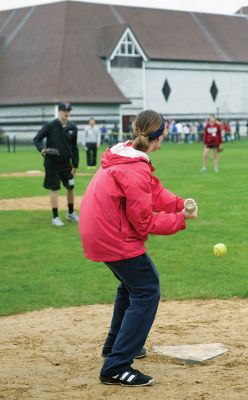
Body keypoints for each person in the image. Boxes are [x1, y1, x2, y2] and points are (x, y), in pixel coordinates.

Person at [79, 110, 198, 387]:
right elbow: (143, 221)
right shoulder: (133, 167)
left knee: (132, 286)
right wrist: (180, 219)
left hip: (101, 230)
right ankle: (117, 364)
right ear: (160, 136)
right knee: (147, 288)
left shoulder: (128, 153)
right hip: (111, 234)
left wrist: (180, 203)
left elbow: (153, 191)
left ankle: (115, 348)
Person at [33, 102, 79, 227]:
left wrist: (75, 165)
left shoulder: (73, 128)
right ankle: (55, 217)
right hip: (51, 164)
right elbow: (37, 139)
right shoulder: (50, 125)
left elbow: (74, 148)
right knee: (55, 189)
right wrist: (42, 149)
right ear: (59, 111)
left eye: (68, 111)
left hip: (66, 165)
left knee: (70, 187)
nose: (66, 113)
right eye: (64, 110)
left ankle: (70, 213)